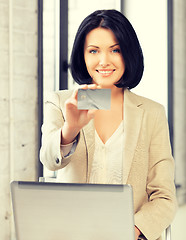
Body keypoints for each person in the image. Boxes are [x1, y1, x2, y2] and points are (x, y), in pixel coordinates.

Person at [40, 9, 177, 240]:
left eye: (115, 50)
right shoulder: (62, 102)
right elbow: (48, 160)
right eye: (94, 50)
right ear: (82, 56)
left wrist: (131, 231)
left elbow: (164, 197)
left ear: (129, 54)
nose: (104, 61)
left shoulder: (152, 113)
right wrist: (70, 130)